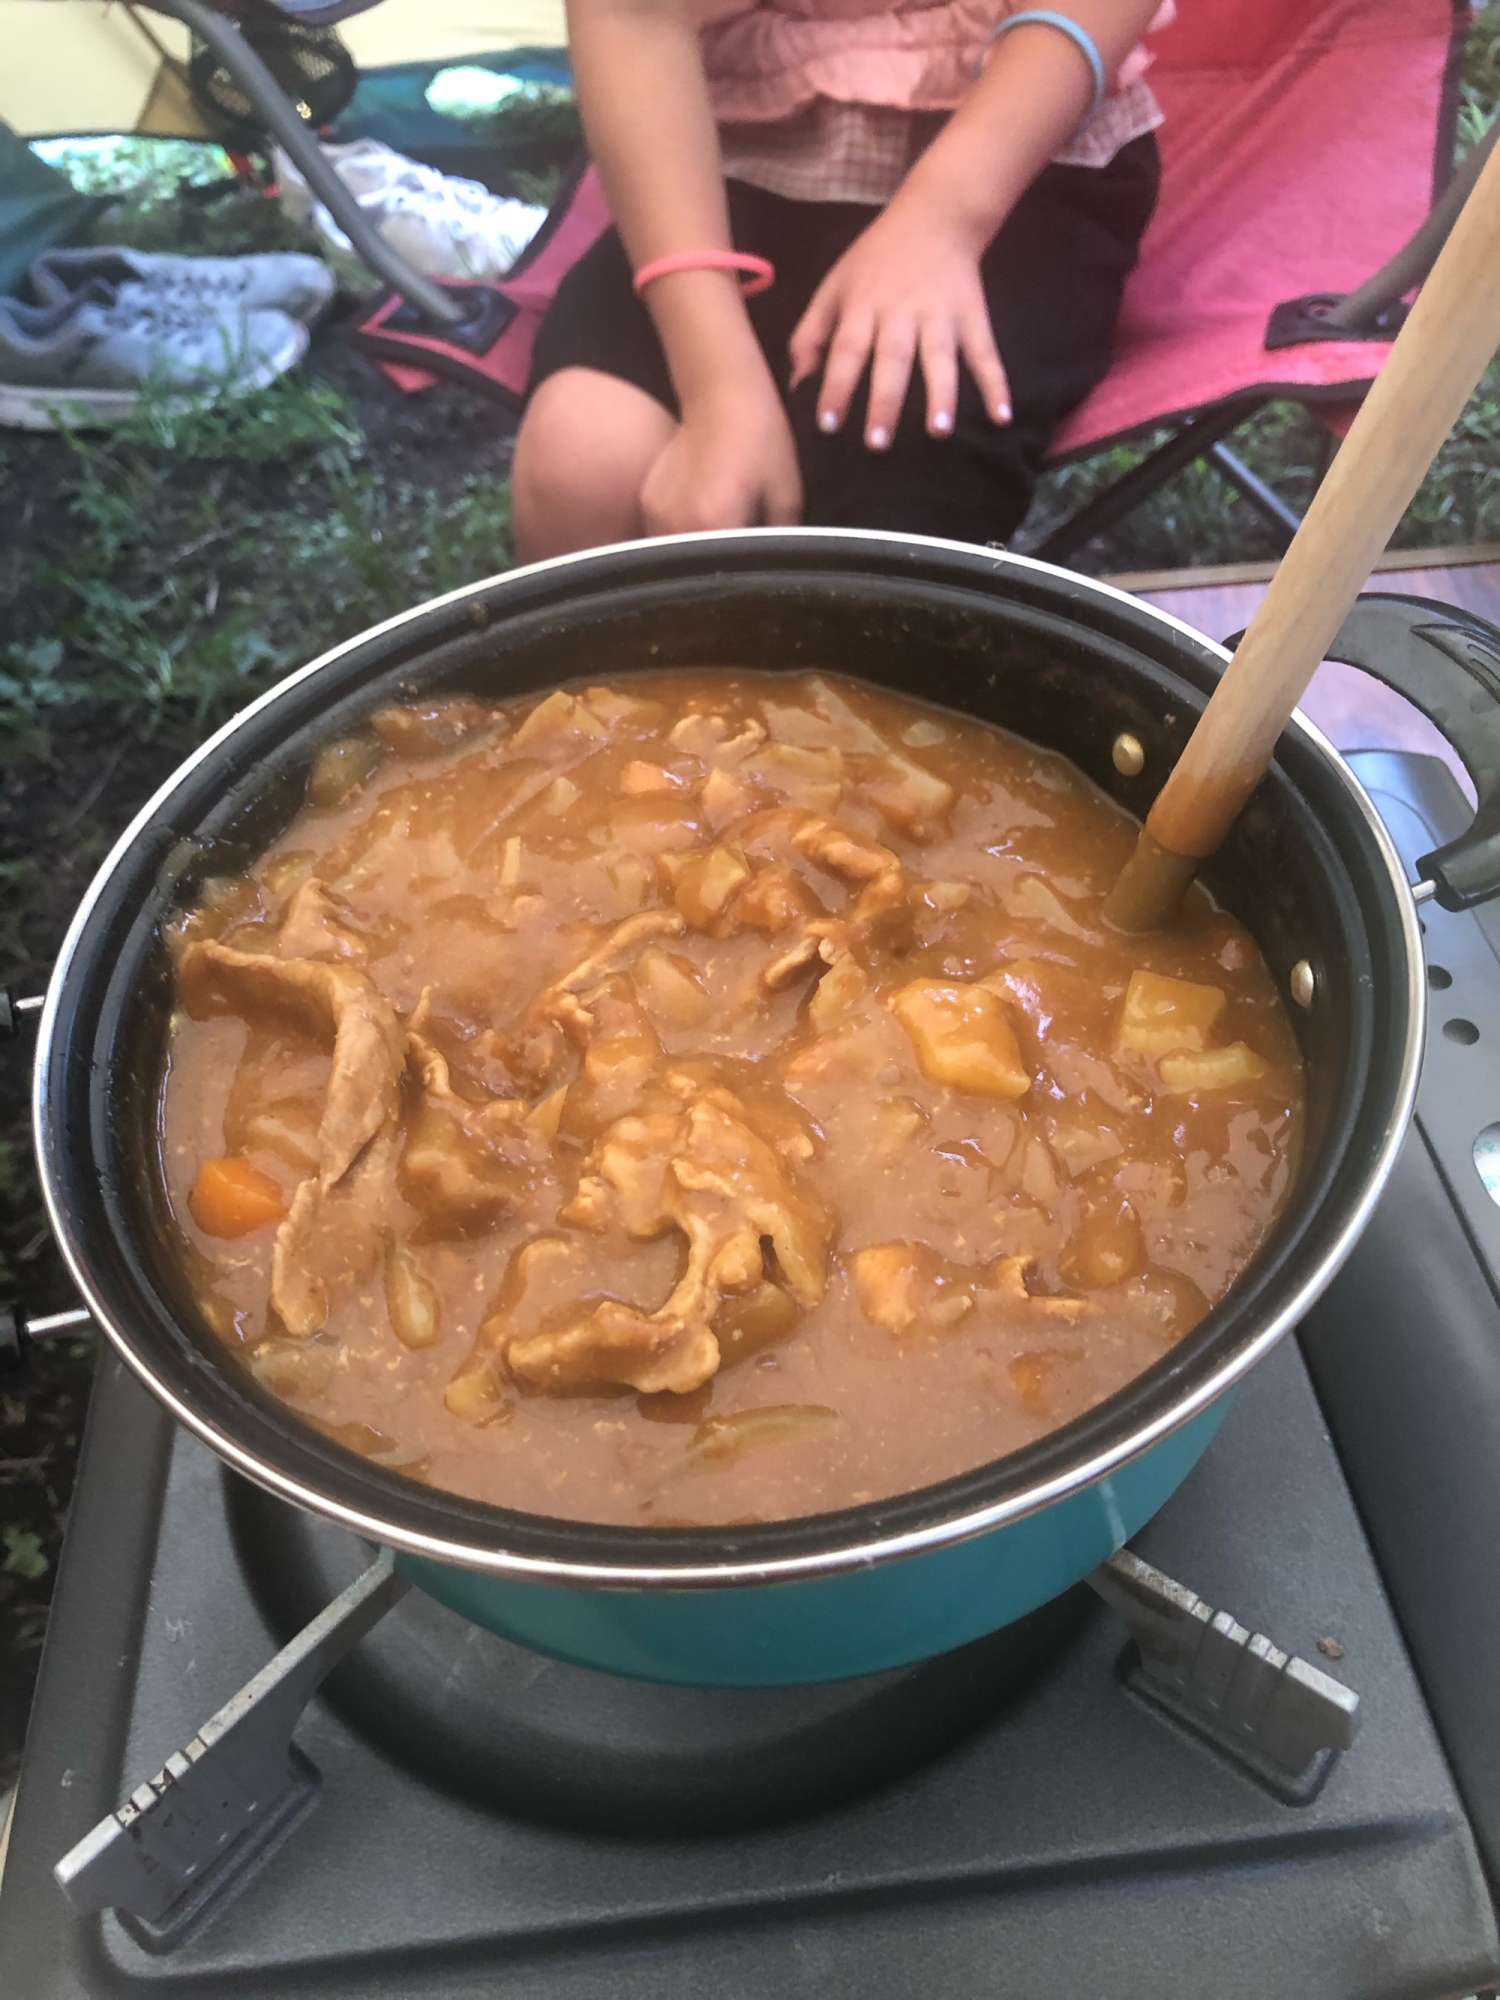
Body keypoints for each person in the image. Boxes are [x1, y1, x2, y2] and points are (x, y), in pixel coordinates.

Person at [512, 0, 1169, 560]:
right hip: (727, 154)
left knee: (893, 454)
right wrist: (718, 386)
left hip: (1013, 144)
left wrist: (939, 223)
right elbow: (631, 14)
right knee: (583, 462)